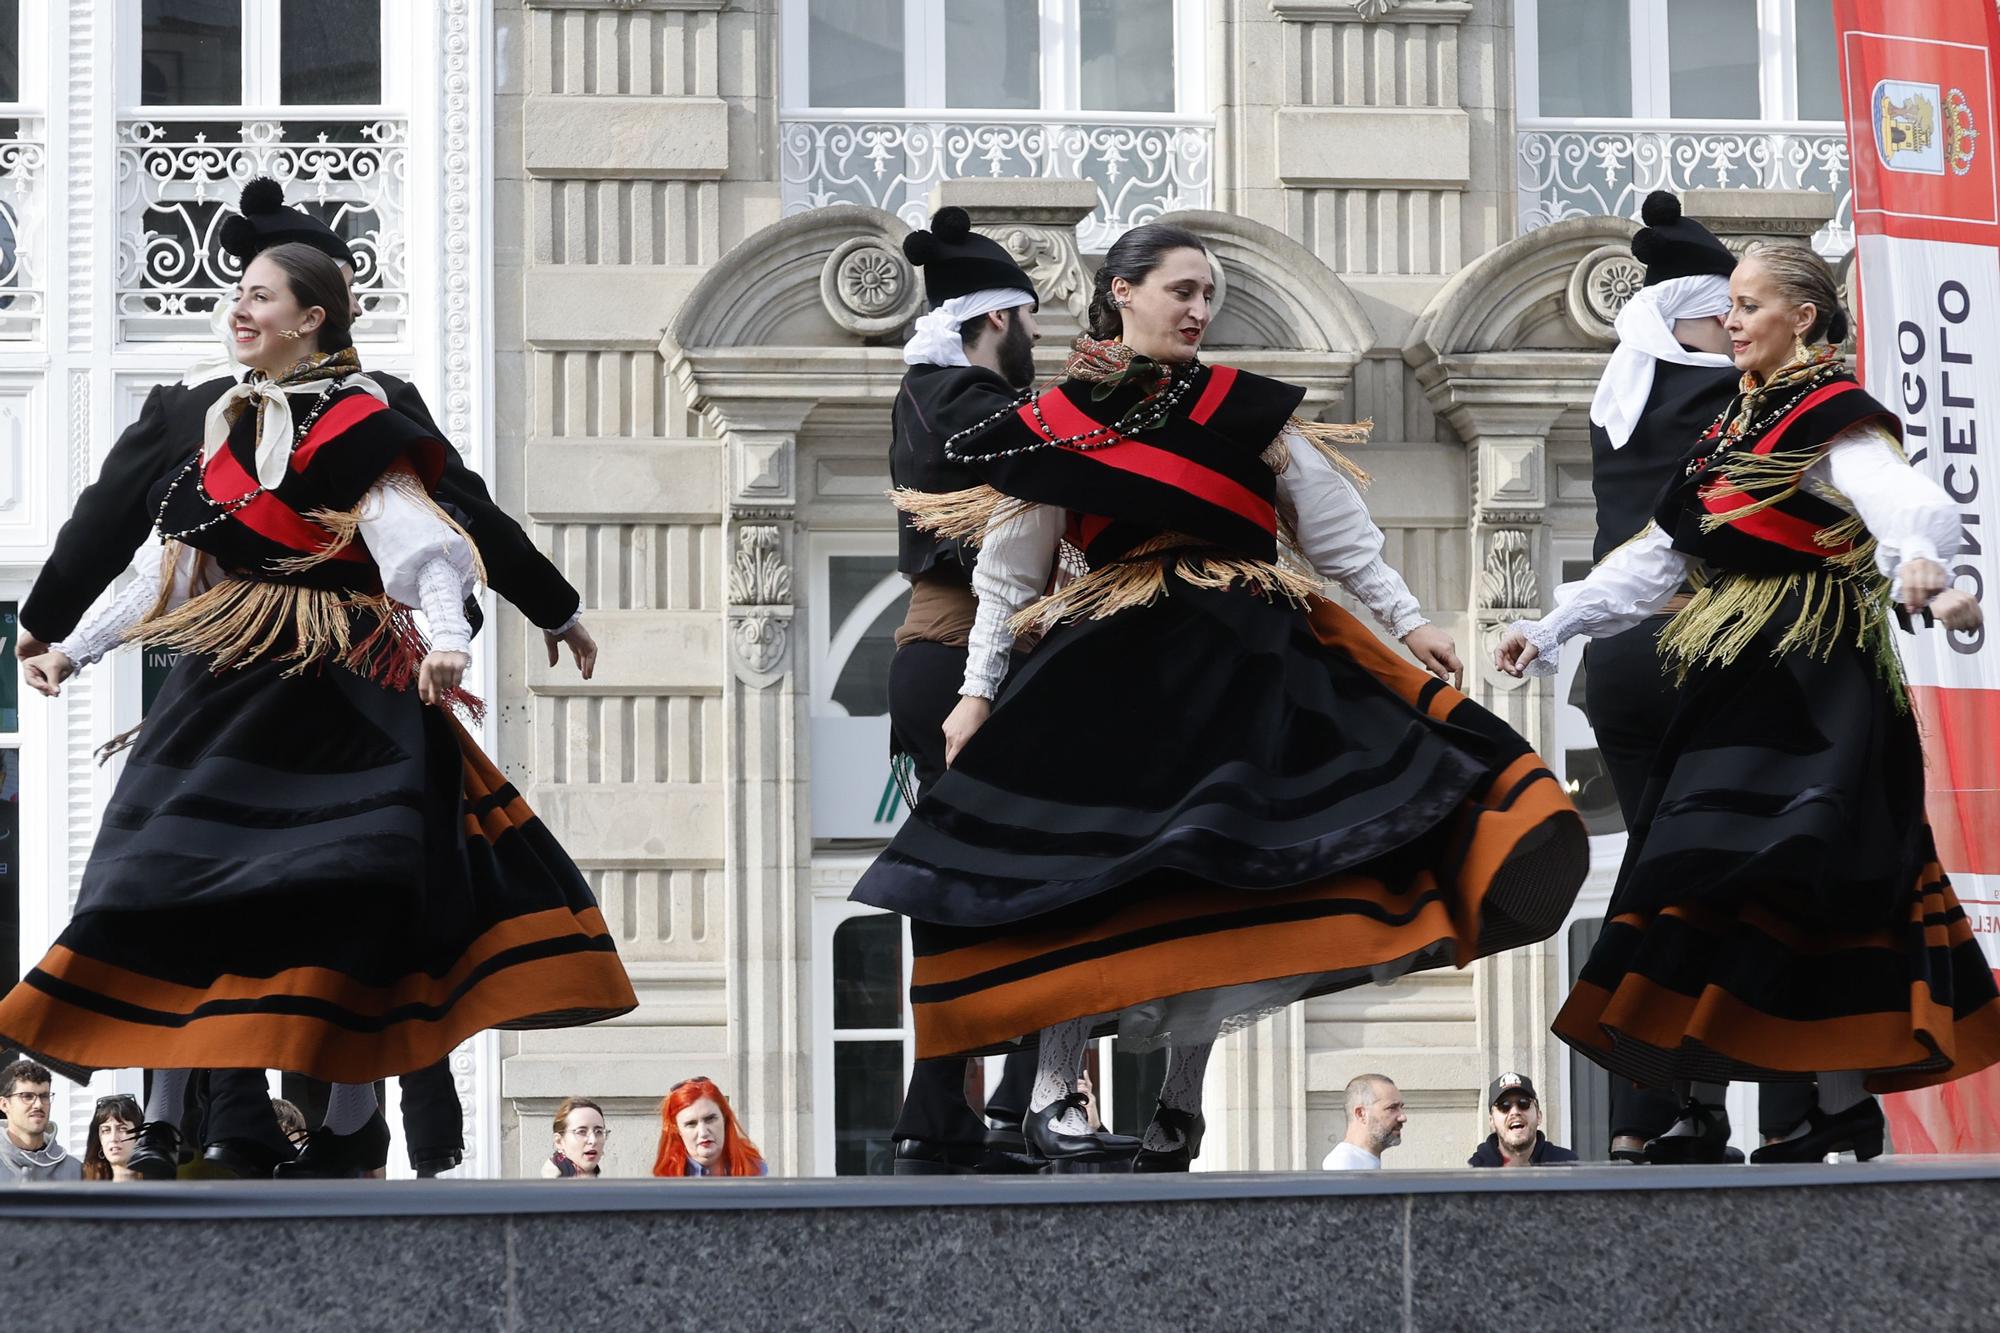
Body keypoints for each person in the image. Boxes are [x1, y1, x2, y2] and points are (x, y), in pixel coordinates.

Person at [854, 221, 1587, 1173]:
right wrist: (978, 693)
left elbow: (1337, 534)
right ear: (1122, 293)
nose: (1199, 309)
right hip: (1116, 666)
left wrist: (1408, 622)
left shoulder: (1248, 411)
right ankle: (1052, 1094)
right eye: (1181, 290)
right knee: (1100, 876)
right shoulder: (1064, 419)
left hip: (1251, 658)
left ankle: (1178, 1105)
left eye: (1208, 294)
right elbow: (1008, 574)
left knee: (1227, 872)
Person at [0, 242, 638, 1180]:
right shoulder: (218, 420)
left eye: (260, 296)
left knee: (359, 892)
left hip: (349, 676)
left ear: (313, 319)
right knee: (165, 873)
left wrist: (456, 634)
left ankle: (347, 1120)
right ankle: (239, 1110)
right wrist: (69, 643)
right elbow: (171, 565)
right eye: (237, 294)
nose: (238, 309)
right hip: (232, 679)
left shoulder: (360, 418)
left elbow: (420, 534)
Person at [1498, 243, 2000, 1165]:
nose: (1731, 321)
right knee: (1690, 871)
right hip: (1737, 685)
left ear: (1801, 317)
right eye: (1727, 306)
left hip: (1820, 680)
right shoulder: (1729, 429)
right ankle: (1707, 1103)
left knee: (1803, 869)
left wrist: (1925, 559)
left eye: (1747, 304)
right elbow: (1659, 556)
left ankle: (1817, 1105)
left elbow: (1896, 495)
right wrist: (1556, 622)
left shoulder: (1830, 414)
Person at [1579, 191, 1739, 1163]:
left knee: (1655, 877)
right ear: (1681, 316)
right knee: (1729, 879)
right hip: (1695, 657)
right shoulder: (1729, 399)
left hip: (1616, 671)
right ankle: (1751, 1100)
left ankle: (1661, 1106)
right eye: (1723, 314)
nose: (1735, 327)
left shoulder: (1620, 398)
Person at [885, 207, 1044, 1177]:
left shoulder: (934, 397)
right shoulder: (953, 397)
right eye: (1027, 323)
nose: (1034, 344)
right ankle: (1010, 1101)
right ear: (996, 321)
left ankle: (947, 1105)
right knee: (1022, 877)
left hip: (936, 655)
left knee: (963, 883)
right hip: (964, 659)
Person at [651, 1076, 768, 1177]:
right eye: (691, 1124)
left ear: (725, 1119)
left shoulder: (755, 1171)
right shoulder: (666, 1181)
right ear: (677, 1130)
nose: (703, 1132)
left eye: (710, 1119)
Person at [1468, 1073, 1577, 1167]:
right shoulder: (1476, 1172)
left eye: (1523, 1103)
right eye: (1504, 1106)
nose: (1515, 1111)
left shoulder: (1567, 1166)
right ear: (1491, 1121)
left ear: (1539, 1116)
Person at [0, 1059, 83, 1181]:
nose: (38, 1105)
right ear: (4, 1105)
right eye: (27, 1096)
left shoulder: (75, 1171)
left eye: (44, 1096)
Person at [1321, 1074, 1405, 1171]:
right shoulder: (1343, 1164)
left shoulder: (1359, 1162)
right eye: (1392, 1108)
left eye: (1401, 1108)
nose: (1403, 1117)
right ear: (1361, 1114)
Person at [82, 1093, 144, 1181]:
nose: (113, 1138)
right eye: (106, 1130)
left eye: (122, 1129)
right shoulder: (84, 1187)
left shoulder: (160, 1187)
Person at [542, 1096, 609, 1178]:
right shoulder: (551, 1186)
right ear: (559, 1141)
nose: (593, 1140)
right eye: (581, 1132)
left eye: (599, 1132)